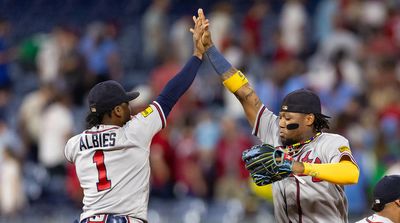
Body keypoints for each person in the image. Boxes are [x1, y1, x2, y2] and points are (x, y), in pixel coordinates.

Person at [196, 9, 359, 222]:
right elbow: (246, 94)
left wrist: (301, 167)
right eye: (281, 116)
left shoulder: (331, 143)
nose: (281, 123)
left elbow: (351, 173)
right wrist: (211, 50)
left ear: (309, 119)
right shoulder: (274, 131)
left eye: (288, 118)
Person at [65, 10, 208, 223]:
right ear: (116, 111)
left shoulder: (74, 144)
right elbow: (170, 95)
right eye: (126, 104)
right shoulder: (135, 131)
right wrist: (197, 56)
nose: (130, 108)